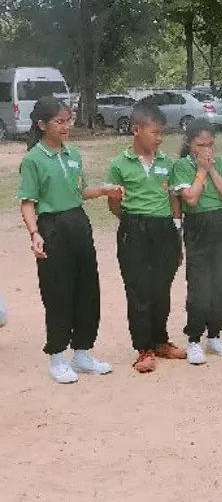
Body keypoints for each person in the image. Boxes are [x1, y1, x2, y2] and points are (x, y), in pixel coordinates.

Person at [17, 96, 123, 383]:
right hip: (52, 227)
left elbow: (80, 192)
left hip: (78, 223)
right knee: (58, 293)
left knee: (87, 290)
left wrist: (104, 190)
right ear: (42, 125)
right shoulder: (32, 160)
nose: (66, 127)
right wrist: (34, 233)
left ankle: (82, 353)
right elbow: (28, 202)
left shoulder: (72, 154)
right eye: (59, 122)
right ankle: (57, 357)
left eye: (68, 121)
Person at [105, 102, 186, 373]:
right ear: (136, 130)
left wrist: (176, 227)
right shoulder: (119, 163)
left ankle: (161, 340)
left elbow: (174, 199)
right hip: (134, 227)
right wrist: (132, 223)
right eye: (155, 132)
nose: (160, 138)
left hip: (164, 228)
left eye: (162, 133)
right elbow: (114, 204)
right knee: (138, 288)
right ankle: (144, 348)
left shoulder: (166, 162)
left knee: (161, 287)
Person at [172, 119, 222, 365]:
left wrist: (211, 169)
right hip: (196, 226)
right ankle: (194, 339)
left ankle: (215, 334)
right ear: (189, 143)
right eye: (200, 145)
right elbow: (190, 198)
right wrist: (200, 170)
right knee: (199, 286)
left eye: (210, 144)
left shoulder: (219, 163)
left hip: (219, 223)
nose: (206, 150)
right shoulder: (181, 166)